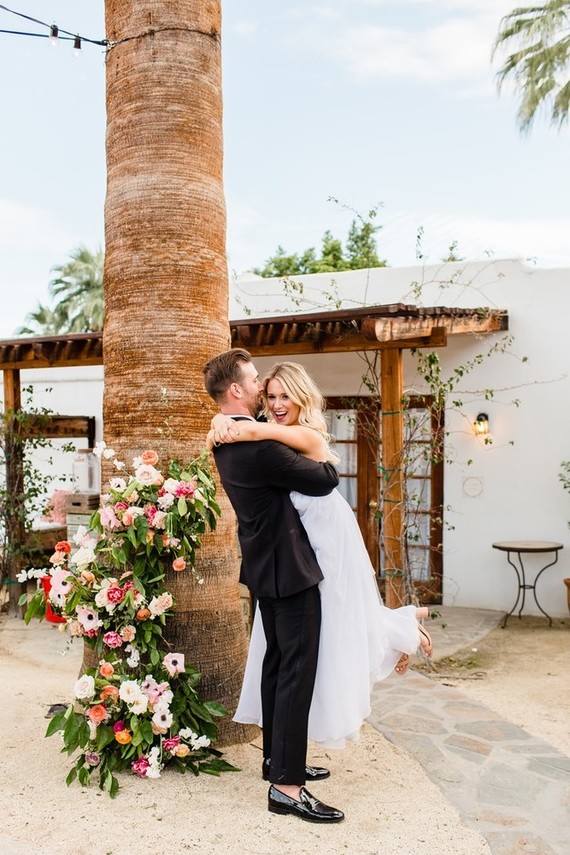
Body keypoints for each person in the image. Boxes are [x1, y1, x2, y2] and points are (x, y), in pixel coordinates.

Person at [208, 361, 433, 750]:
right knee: (334, 623)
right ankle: (403, 626)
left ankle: (402, 629)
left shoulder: (293, 433)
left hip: (324, 539)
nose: (275, 401)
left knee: (338, 617)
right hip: (303, 545)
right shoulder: (261, 430)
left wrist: (235, 425)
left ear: (302, 397)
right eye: (270, 394)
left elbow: (316, 467)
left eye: (285, 395)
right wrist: (222, 420)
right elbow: (253, 432)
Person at [202, 349, 345, 824]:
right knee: (294, 673)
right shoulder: (259, 447)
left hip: (265, 567)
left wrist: (231, 422)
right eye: (254, 379)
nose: (261, 386)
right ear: (236, 390)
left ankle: (276, 760)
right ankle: (286, 787)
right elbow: (325, 478)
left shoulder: (229, 439)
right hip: (290, 570)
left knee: (277, 666)